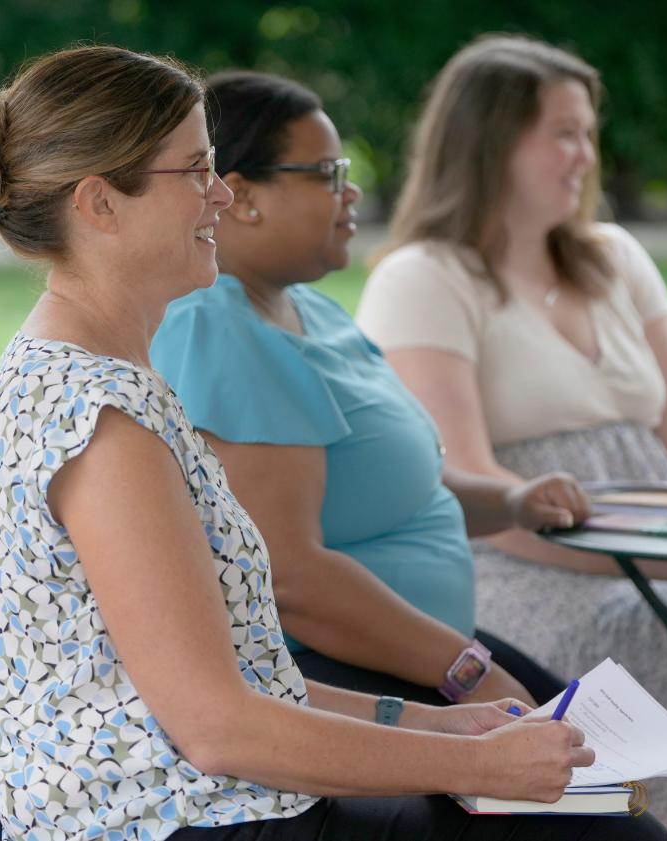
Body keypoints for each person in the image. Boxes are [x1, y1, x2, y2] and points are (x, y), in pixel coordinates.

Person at [0, 45, 667, 841]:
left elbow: (245, 681)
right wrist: (475, 766)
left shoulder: (96, 375)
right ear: (99, 204)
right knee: (605, 831)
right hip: (182, 824)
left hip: (215, 807)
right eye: (194, 171)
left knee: (599, 816)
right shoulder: (102, 418)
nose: (220, 193)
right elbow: (218, 728)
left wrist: (440, 726)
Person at [356, 34, 667, 841]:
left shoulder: (616, 256)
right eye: (563, 133)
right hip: (531, 569)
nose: (586, 155)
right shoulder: (424, 277)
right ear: (491, 144)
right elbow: (471, 481)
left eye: (588, 133)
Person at [150, 69, 595, 714]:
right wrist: (465, 671)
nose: (351, 192)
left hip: (417, 657)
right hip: (333, 681)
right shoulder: (218, 328)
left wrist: (515, 502)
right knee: (597, 796)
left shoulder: (309, 309)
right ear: (242, 196)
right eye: (328, 174)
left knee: (610, 758)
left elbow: (393, 496)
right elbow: (288, 575)